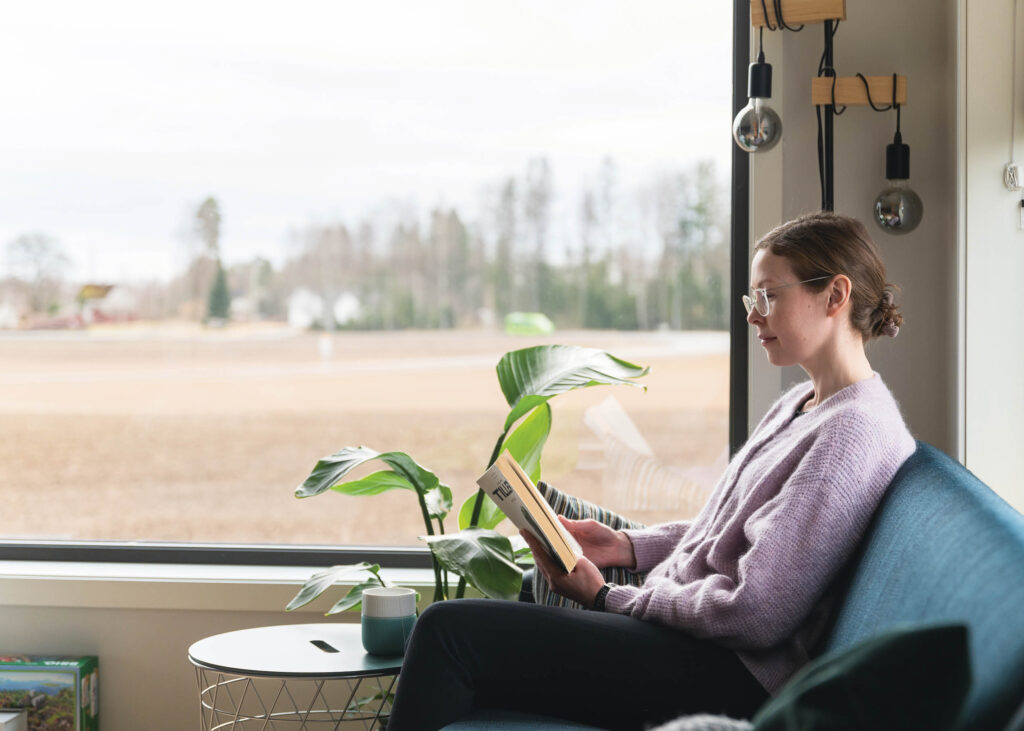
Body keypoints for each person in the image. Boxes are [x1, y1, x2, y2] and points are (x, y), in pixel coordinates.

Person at [386, 212, 916, 731]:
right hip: (696, 647)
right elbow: (727, 531)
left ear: (835, 295)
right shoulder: (804, 403)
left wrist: (606, 598)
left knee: (445, 630)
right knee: (523, 594)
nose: (753, 315)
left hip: (730, 675)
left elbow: (757, 611)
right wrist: (625, 546)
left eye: (769, 296)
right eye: (752, 299)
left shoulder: (851, 433)